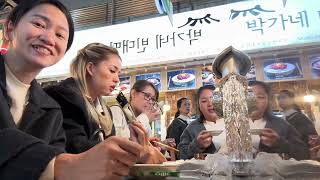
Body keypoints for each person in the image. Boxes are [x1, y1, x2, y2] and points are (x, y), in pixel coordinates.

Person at [0, 1, 143, 179]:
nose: (49, 38)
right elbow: (69, 161)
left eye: (60, 35)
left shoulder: (50, 109)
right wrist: (60, 166)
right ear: (9, 28)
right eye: (38, 24)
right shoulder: (66, 96)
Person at [45, 43, 165, 164]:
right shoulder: (66, 97)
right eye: (112, 70)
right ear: (91, 68)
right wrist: (135, 152)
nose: (117, 79)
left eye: (118, 74)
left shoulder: (104, 109)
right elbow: (78, 150)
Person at [249, 81, 309, 160]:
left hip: (270, 171)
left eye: (260, 97)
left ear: (268, 101)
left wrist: (280, 143)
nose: (254, 100)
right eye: (249, 96)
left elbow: (303, 153)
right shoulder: (229, 125)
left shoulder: (281, 125)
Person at [178, 85, 226, 159]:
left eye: (214, 99)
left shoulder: (232, 121)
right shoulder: (192, 128)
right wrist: (197, 145)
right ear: (198, 105)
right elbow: (181, 154)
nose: (210, 104)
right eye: (204, 101)